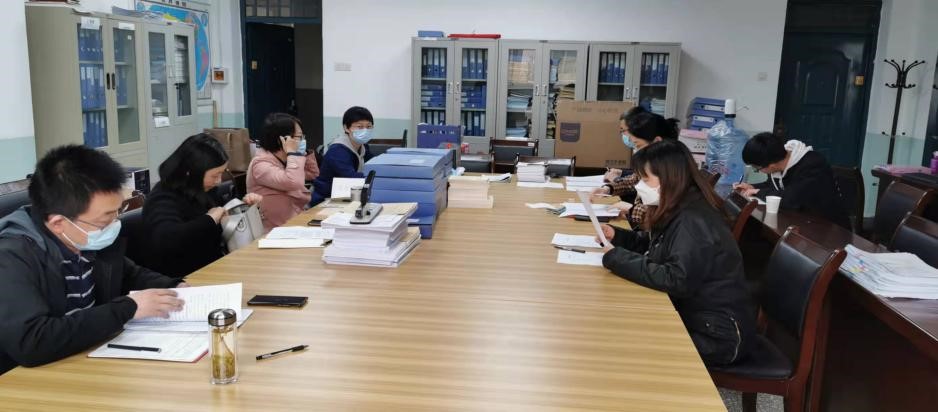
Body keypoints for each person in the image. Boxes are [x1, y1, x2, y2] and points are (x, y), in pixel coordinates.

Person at [0, 145, 185, 375]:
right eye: (105, 220)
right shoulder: (12, 256)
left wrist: (175, 286)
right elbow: (33, 342)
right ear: (59, 223)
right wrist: (127, 308)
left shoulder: (84, 239)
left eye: (118, 212)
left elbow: (129, 274)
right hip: (27, 378)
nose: (114, 224)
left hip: (86, 358)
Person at [598, 140, 755, 366]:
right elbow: (656, 245)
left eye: (645, 180)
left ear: (669, 178)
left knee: (626, 342)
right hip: (698, 318)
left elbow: (676, 279)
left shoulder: (693, 220)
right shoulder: (680, 205)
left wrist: (616, 258)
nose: (640, 187)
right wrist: (617, 236)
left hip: (717, 335)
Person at [142, 134, 262, 278]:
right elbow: (169, 240)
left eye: (221, 174)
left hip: (216, 266)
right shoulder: (163, 197)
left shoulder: (201, 188)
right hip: (184, 277)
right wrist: (209, 219)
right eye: (214, 175)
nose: (218, 181)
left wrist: (244, 208)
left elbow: (223, 220)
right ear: (190, 172)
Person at [733, 132, 850, 229]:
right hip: (799, 220)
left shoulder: (812, 165)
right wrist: (752, 187)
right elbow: (771, 185)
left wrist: (758, 192)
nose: (758, 171)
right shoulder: (778, 161)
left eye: (757, 169)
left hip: (829, 228)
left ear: (771, 165)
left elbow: (791, 199)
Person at [592, 106, 680, 226]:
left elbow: (663, 215)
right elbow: (633, 181)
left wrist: (631, 209)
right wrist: (608, 189)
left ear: (656, 142)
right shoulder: (653, 162)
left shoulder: (670, 169)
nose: (636, 150)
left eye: (638, 145)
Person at [247, 113, 319, 231]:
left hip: (293, 222)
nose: (303, 141)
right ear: (282, 139)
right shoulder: (260, 164)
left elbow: (312, 174)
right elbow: (293, 182)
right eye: (299, 137)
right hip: (273, 230)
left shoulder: (283, 159)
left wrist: (304, 153)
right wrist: (293, 153)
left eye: (303, 137)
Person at [311, 106, 375, 205]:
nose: (365, 130)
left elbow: (374, 164)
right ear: (346, 128)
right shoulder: (337, 151)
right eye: (359, 127)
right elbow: (352, 178)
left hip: (347, 196)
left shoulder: (363, 146)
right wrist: (376, 178)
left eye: (369, 126)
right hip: (325, 200)